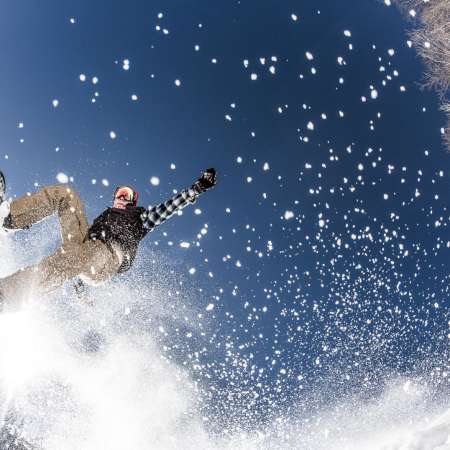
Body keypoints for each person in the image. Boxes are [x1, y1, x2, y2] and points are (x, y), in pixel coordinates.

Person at [0, 168, 217, 306]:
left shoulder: (139, 218)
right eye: (119, 194)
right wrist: (80, 287)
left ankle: (7, 295)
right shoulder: (102, 219)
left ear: (133, 201)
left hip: (110, 253)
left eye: (127, 196)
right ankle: (9, 218)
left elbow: (167, 209)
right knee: (66, 196)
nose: (121, 198)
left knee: (69, 260)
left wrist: (195, 190)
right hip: (87, 246)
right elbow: (81, 262)